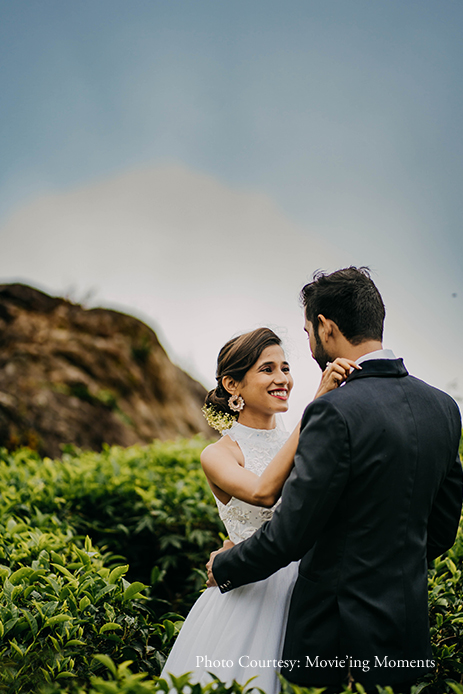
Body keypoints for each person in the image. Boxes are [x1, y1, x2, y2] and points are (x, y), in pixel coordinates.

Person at [208, 267, 463, 694]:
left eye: (308, 332)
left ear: (326, 328)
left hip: (334, 636)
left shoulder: (333, 411)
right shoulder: (443, 408)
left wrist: (225, 566)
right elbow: (438, 533)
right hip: (403, 632)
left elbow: (291, 533)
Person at [160, 327, 357, 693]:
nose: (282, 379)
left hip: (309, 591)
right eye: (267, 369)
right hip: (249, 596)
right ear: (232, 385)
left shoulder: (300, 437)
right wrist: (317, 407)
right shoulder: (218, 454)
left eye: (285, 368)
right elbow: (263, 494)